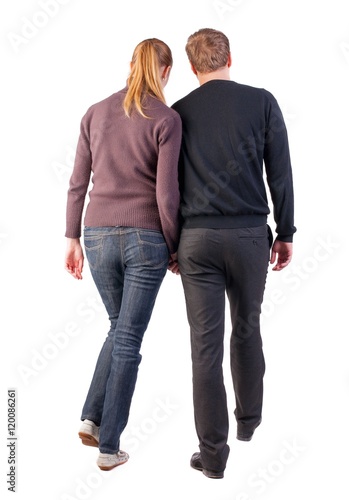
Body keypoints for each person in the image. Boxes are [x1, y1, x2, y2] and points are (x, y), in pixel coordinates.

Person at [171, 28, 296, 479]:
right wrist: (286, 231)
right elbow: (280, 174)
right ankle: (248, 422)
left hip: (197, 240)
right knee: (246, 329)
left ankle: (214, 455)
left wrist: (172, 242)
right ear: (230, 58)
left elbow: (169, 186)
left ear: (191, 67)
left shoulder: (178, 112)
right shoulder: (262, 102)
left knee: (203, 348)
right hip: (248, 236)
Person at [64, 38, 182, 471]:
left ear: (131, 65)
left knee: (119, 329)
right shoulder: (167, 119)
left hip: (95, 234)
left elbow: (77, 183)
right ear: (165, 72)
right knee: (128, 338)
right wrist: (173, 244)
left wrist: (72, 238)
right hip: (145, 238)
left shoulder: (95, 112)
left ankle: (93, 419)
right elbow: (166, 194)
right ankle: (110, 449)